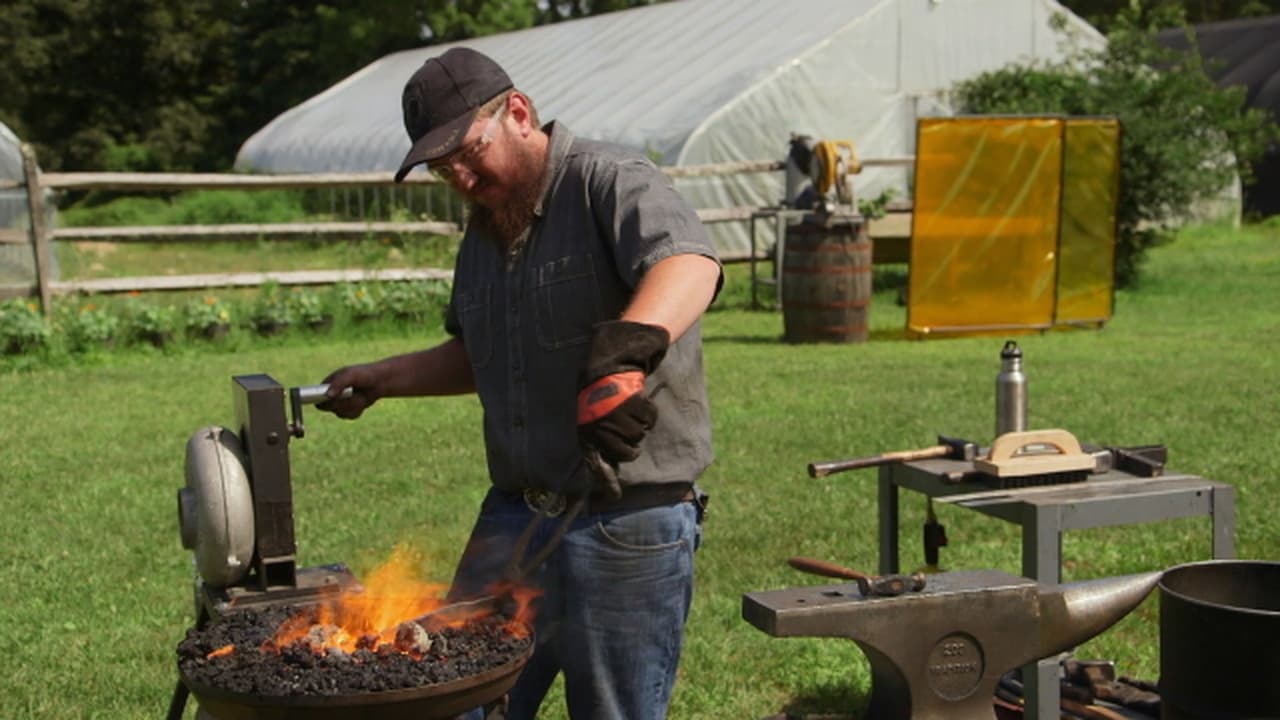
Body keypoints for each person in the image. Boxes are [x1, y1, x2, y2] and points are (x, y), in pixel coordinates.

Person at [318, 46, 722, 720]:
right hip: (514, 517)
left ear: (518, 113)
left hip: (624, 518)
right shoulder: (482, 235)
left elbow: (688, 266)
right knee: (456, 700)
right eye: (445, 169)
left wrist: (622, 356)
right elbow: (479, 356)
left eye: (470, 152)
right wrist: (384, 379)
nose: (463, 178)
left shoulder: (609, 180)